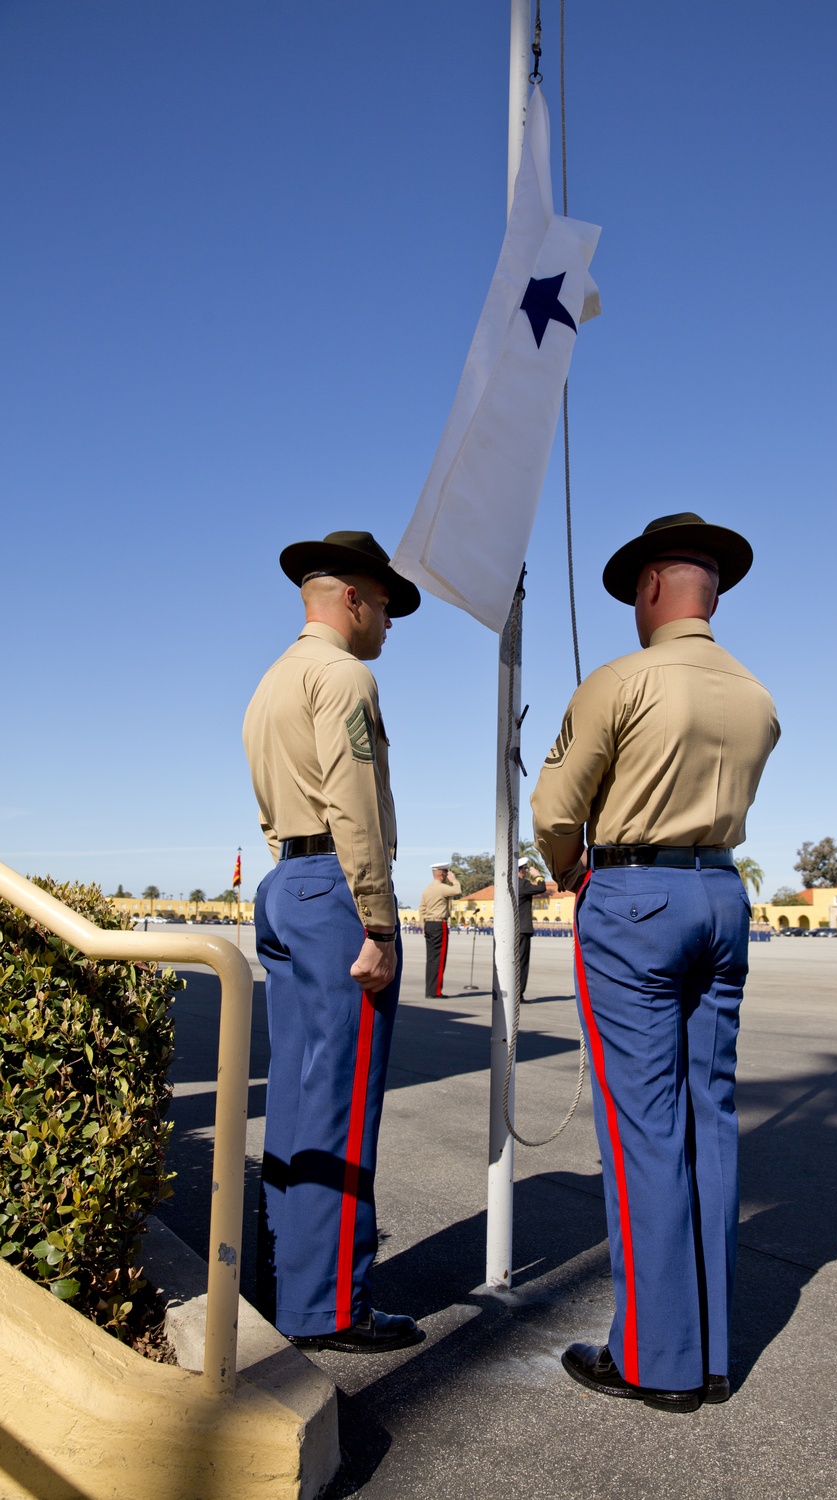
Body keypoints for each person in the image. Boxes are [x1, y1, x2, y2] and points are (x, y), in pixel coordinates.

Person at [531, 511, 780, 1413]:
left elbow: (557, 809)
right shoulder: (756, 692)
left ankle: (656, 1357)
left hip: (636, 897)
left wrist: (568, 873)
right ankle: (711, 1352)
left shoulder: (622, 679)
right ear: (711, 591)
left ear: (649, 590)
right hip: (721, 891)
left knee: (644, 1126)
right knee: (709, 1116)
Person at [243, 528, 423, 1354]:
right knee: (344, 1105)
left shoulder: (273, 679)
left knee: (296, 1097)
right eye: (385, 605)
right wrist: (379, 921)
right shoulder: (345, 675)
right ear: (352, 596)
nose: (389, 622)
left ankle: (281, 1279)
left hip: (285, 878)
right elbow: (351, 800)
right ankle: (332, 1306)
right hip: (334, 889)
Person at [418, 862, 463, 997]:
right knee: (439, 958)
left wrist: (422, 926)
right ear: (443, 874)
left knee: (431, 959)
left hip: (428, 925)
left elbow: (421, 909)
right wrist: (454, 880)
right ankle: (435, 991)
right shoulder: (442, 888)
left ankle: (430, 990)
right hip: (439, 925)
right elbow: (457, 890)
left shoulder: (427, 889)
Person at [517, 856, 547, 999]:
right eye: (524, 869)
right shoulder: (522, 884)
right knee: (522, 962)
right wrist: (538, 876)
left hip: (511, 930)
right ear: (520, 871)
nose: (525, 872)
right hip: (522, 929)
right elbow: (541, 887)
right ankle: (519, 993)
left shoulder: (509, 884)